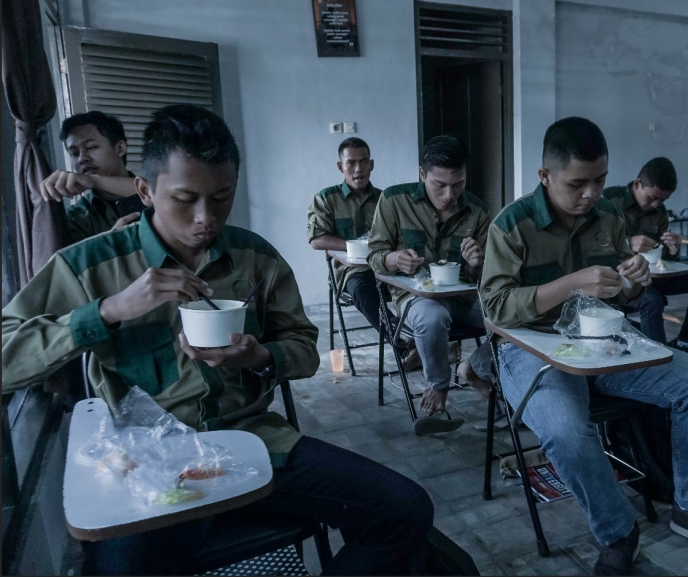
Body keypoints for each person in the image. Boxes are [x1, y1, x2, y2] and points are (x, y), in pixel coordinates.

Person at [2, 104, 434, 575]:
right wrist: (108, 311)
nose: (205, 218)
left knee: (404, 510)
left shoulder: (256, 259)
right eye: (184, 200)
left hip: (250, 445)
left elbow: (304, 349)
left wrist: (261, 356)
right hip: (149, 464)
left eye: (222, 197)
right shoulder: (90, 265)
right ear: (145, 191)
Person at [480, 117, 688, 575]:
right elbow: (495, 308)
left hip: (600, 341)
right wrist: (570, 284)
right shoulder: (512, 225)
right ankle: (617, 531)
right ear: (545, 176)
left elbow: (625, 296)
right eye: (577, 183)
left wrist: (634, 282)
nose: (591, 194)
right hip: (529, 346)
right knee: (566, 429)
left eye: (600, 180)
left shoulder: (608, 216)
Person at [367, 135, 491, 433]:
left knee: (512, 316)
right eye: (440, 184)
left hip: (464, 298)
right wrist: (395, 259)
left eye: (458, 184)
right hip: (415, 297)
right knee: (433, 317)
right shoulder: (395, 200)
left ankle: (474, 369)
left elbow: (486, 275)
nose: (449, 195)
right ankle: (438, 385)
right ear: (422, 174)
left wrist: (476, 264)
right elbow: (373, 256)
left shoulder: (477, 211)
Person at [602, 157, 688, 352]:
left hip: (651, 277)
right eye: (652, 198)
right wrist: (627, 243)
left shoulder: (660, 212)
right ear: (637, 183)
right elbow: (594, 243)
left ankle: (683, 342)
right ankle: (657, 356)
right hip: (618, 277)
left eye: (663, 200)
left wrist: (672, 250)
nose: (656, 204)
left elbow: (662, 262)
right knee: (652, 299)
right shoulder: (609, 200)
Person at [307, 137, 393, 332]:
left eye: (364, 162)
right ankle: (402, 343)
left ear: (371, 165)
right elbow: (317, 240)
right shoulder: (327, 199)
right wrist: (356, 247)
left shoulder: (385, 198)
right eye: (351, 163)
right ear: (340, 167)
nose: (358, 169)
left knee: (417, 284)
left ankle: (425, 340)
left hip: (385, 266)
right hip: (350, 272)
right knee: (363, 289)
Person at [42, 111, 145, 245]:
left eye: (91, 147)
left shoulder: (156, 189)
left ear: (120, 148)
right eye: (74, 153)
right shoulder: (76, 218)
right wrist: (111, 245)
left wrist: (93, 180)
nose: (82, 159)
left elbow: (156, 193)